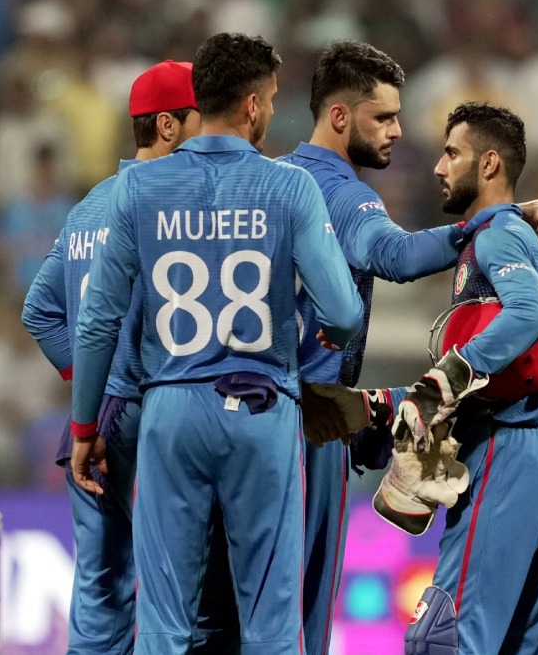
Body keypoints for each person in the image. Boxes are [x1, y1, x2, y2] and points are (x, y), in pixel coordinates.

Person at [275, 39, 538, 655]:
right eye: (384, 116)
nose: (400, 132)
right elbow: (393, 254)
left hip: (238, 406)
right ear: (339, 116)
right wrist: (497, 214)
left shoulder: (266, 182)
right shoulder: (342, 192)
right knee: (303, 622)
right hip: (306, 420)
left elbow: (521, 326)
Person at [67, 32, 363, 654]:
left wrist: (85, 427)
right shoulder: (290, 187)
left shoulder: (138, 190)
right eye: (272, 99)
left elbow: (96, 323)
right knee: (271, 625)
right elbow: (343, 310)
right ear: (253, 105)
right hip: (263, 409)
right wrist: (320, 335)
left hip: (171, 410)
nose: (272, 111)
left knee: (166, 622)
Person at [22, 59, 201, 655]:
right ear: (169, 126)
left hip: (90, 424)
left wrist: (88, 389)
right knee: (176, 593)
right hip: (152, 417)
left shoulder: (89, 206)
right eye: (205, 119)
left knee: (99, 592)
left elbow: (39, 310)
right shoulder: (175, 207)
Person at [379, 101, 538, 654]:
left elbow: (529, 315)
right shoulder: (494, 232)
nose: (439, 167)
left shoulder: (497, 236)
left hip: (506, 448)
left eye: (452, 153)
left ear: (488, 164)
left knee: (444, 640)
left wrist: (444, 379)